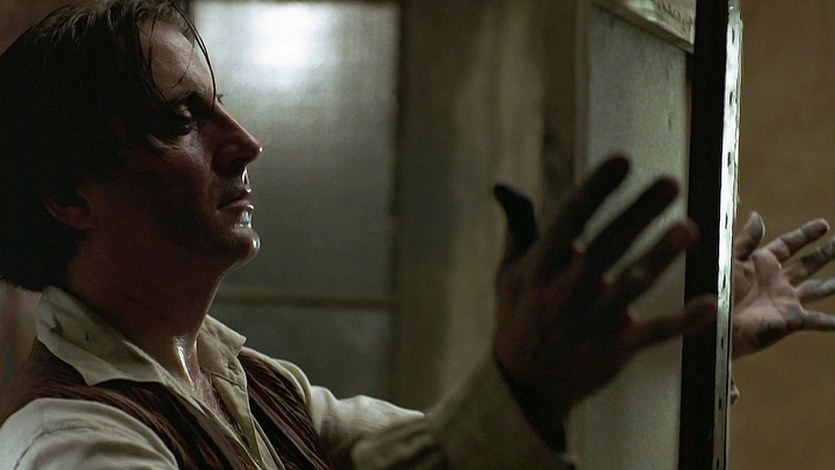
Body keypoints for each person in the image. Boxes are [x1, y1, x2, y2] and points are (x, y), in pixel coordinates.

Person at [1, 1, 834, 468]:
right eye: (184, 118)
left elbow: (457, 444)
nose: (245, 141)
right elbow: (481, 433)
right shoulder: (67, 445)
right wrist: (521, 387)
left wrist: (687, 335)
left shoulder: (248, 383)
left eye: (221, 105)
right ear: (70, 195)